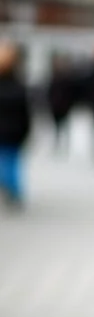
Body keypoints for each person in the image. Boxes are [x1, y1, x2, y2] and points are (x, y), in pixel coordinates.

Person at [0, 41, 32, 208]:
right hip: (14, 131)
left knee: (7, 162)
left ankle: (11, 189)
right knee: (11, 162)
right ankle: (14, 191)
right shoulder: (19, 85)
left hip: (9, 131)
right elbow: (25, 111)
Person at [46, 52, 81, 151]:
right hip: (55, 105)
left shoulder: (68, 78)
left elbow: (73, 92)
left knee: (64, 124)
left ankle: (64, 143)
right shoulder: (53, 76)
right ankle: (57, 142)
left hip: (65, 105)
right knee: (56, 125)